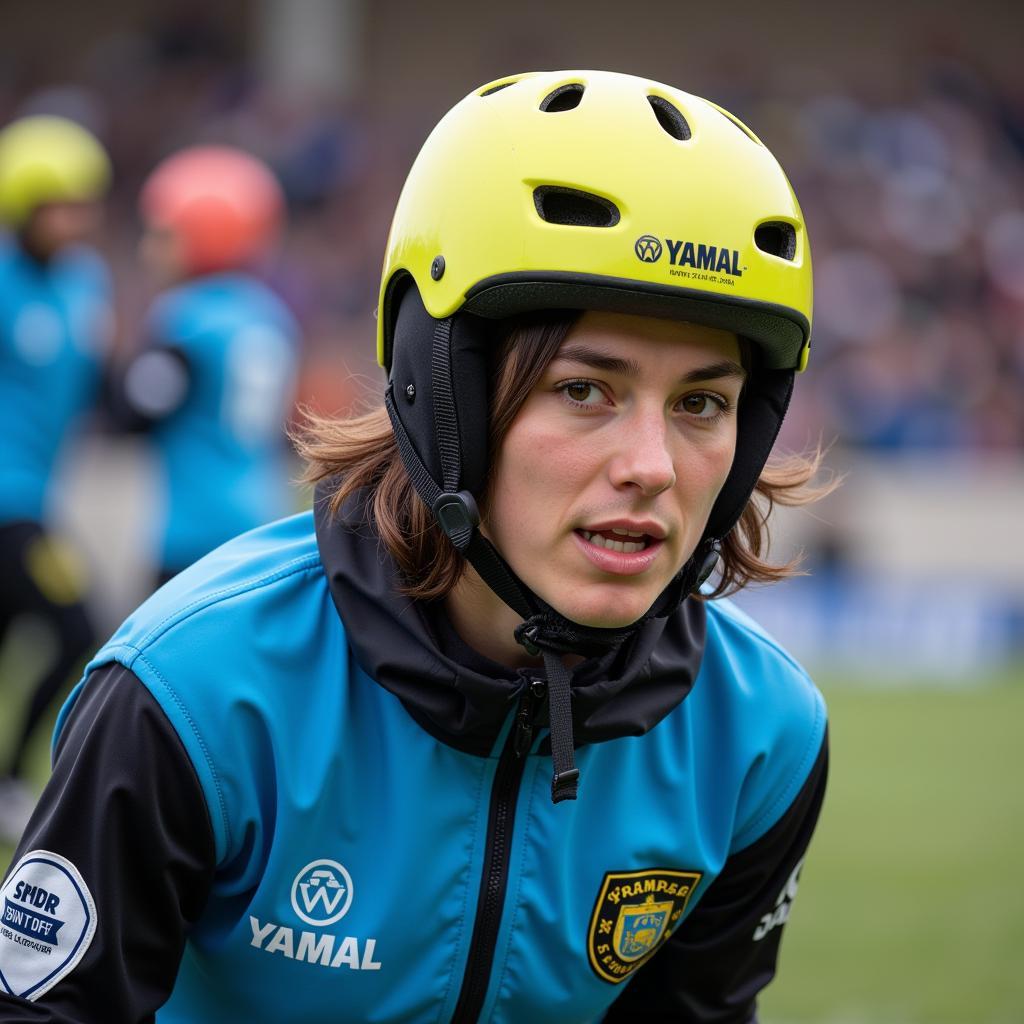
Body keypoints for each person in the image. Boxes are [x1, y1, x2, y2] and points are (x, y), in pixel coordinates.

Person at [0, 70, 830, 1021]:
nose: (652, 466)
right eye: (584, 389)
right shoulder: (190, 696)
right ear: (442, 394)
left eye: (702, 403)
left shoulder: (763, 735)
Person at [106, 144, 300, 587]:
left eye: (162, 234)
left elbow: (131, 413)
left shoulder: (188, 317)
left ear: (203, 235)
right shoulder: (268, 313)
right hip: (257, 521)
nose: (147, 249)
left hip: (193, 534)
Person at [0, 115, 112, 845]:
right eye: (56, 206)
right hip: (8, 502)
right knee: (79, 627)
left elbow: (96, 386)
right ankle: (11, 779)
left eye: (82, 204)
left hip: (42, 492)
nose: (72, 220)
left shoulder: (86, 283)